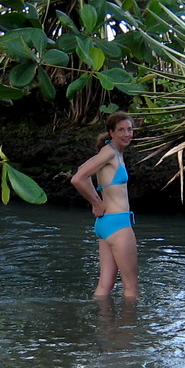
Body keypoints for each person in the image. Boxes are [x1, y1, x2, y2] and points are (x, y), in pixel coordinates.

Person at [70, 112, 138, 300]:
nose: (127, 134)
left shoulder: (109, 152)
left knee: (105, 285)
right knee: (131, 288)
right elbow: (78, 179)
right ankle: (129, 330)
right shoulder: (109, 153)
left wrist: (98, 203)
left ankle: (103, 328)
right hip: (118, 225)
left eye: (129, 129)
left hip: (105, 225)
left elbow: (82, 169)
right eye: (121, 130)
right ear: (111, 132)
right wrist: (96, 202)